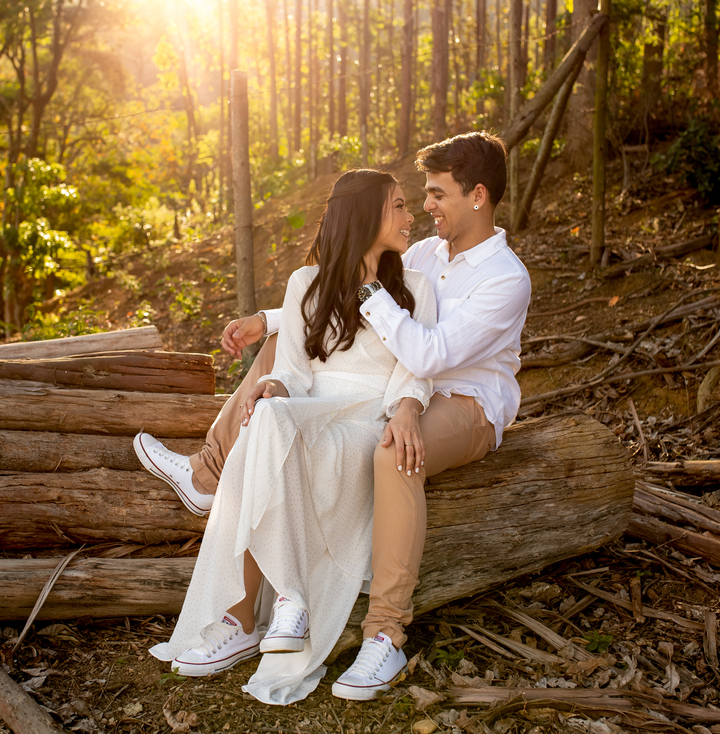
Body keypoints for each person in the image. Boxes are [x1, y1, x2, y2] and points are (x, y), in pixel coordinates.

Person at [137, 132, 531, 700]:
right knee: (277, 372)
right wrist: (272, 321)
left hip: (466, 403)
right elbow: (338, 283)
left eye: (438, 195)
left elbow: (425, 354)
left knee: (396, 452)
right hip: (401, 388)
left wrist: (404, 404)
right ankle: (211, 482)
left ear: (478, 196)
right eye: (419, 196)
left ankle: (386, 636)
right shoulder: (422, 254)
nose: (426, 207)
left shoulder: (504, 278)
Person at [146, 169, 438, 705]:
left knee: (269, 440)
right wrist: (276, 383)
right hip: (310, 406)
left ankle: (245, 617)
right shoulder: (306, 283)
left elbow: (415, 367)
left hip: (367, 416)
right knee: (267, 419)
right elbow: (297, 371)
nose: (409, 214)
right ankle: (289, 601)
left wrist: (406, 409)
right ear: (368, 215)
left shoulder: (416, 285)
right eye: (398, 205)